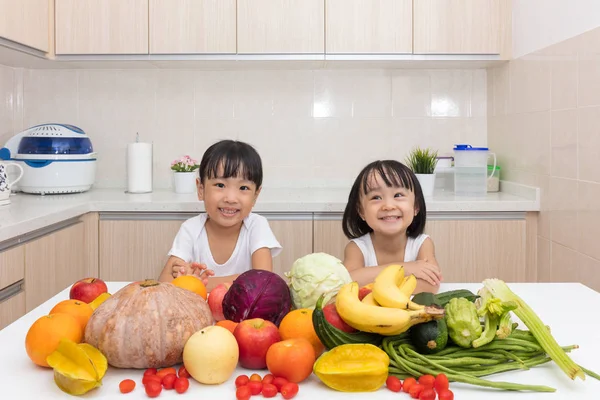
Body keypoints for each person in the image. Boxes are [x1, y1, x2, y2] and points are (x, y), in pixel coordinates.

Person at [158, 140, 282, 291]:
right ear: (201, 189)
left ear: (255, 195)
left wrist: (195, 282)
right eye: (220, 185)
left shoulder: (257, 225)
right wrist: (183, 277)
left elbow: (263, 280)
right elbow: (164, 284)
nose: (230, 198)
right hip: (198, 312)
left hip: (244, 314)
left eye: (243, 187)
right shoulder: (191, 229)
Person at [341, 160, 442, 294]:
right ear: (361, 211)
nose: (388, 206)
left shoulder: (422, 244)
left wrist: (369, 281)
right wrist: (405, 269)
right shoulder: (357, 248)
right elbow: (347, 283)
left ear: (416, 206)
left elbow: (431, 285)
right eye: (376, 197)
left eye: (398, 195)